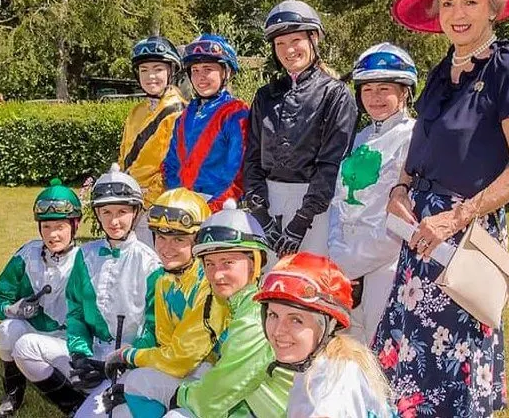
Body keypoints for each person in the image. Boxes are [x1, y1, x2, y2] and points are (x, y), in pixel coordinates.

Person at [373, 0, 509, 417]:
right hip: (419, 233)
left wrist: (456, 217)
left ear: (494, 7)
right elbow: (419, 149)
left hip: (464, 233)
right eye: (447, 4)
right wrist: (399, 190)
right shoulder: (439, 73)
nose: (457, 14)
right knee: (408, 352)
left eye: (470, 2)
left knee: (453, 356)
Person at [244, 0, 358, 261]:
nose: (288, 50)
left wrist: (301, 220)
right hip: (268, 203)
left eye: (296, 40)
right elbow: (252, 157)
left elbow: (331, 163)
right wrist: (260, 212)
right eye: (280, 43)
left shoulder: (336, 94)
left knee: (307, 287)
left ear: (313, 39)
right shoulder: (265, 95)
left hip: (314, 207)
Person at [101, 188, 230, 417]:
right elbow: (163, 342)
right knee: (121, 410)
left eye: (178, 239)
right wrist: (133, 361)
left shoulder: (209, 284)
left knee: (141, 385)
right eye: (161, 237)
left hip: (223, 384)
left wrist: (128, 356)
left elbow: (180, 359)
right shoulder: (164, 280)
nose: (166, 249)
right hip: (193, 373)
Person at [165, 200, 293, 417]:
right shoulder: (250, 304)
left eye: (227, 262)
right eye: (210, 264)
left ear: (254, 263)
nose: (216, 274)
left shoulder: (255, 317)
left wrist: (180, 395)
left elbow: (212, 400)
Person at [328, 43, 417, 344]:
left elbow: (401, 220)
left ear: (405, 91)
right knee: (346, 353)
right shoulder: (361, 137)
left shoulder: (414, 137)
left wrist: (350, 265)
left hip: (385, 265)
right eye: (367, 89)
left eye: (384, 88)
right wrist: (337, 256)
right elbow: (340, 201)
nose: (375, 98)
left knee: (382, 355)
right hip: (344, 263)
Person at [66, 163, 163, 417]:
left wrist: (127, 358)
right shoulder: (83, 256)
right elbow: (75, 312)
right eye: (106, 212)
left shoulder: (151, 262)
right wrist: (79, 354)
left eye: (122, 211)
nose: (114, 221)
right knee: (27, 345)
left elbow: (155, 326)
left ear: (136, 213)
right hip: (94, 352)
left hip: (133, 359)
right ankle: (76, 396)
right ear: (97, 214)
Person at [254, 252, 397, 418]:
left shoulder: (333, 382)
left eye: (296, 320)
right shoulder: (320, 365)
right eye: (273, 315)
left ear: (328, 327)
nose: (278, 330)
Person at [0, 179, 85, 416]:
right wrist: (12, 310)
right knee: (8, 328)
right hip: (35, 333)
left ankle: (72, 403)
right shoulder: (26, 255)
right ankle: (12, 395)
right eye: (46, 227)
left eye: (60, 227)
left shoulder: (87, 259)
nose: (53, 235)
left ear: (75, 225)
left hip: (71, 339)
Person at [163, 34, 249, 212]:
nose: (201, 77)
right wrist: (176, 198)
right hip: (182, 206)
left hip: (219, 208)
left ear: (226, 72)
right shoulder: (184, 116)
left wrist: (213, 207)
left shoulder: (236, 113)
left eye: (208, 69)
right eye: (195, 70)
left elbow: (240, 169)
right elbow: (171, 163)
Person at [119, 35, 186, 246]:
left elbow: (173, 164)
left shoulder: (178, 111)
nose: (151, 76)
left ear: (171, 71)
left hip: (157, 204)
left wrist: (144, 202)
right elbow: (124, 155)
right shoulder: (136, 111)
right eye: (144, 70)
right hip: (130, 201)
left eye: (157, 69)